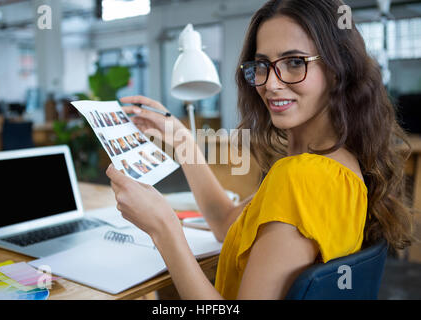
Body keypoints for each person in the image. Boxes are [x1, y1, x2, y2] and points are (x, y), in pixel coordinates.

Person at [106, 0, 414, 299]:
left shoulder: (301, 178)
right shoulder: (337, 166)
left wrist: (162, 227)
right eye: (262, 65)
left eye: (295, 63)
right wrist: (183, 141)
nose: (270, 84)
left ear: (337, 70)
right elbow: (226, 223)